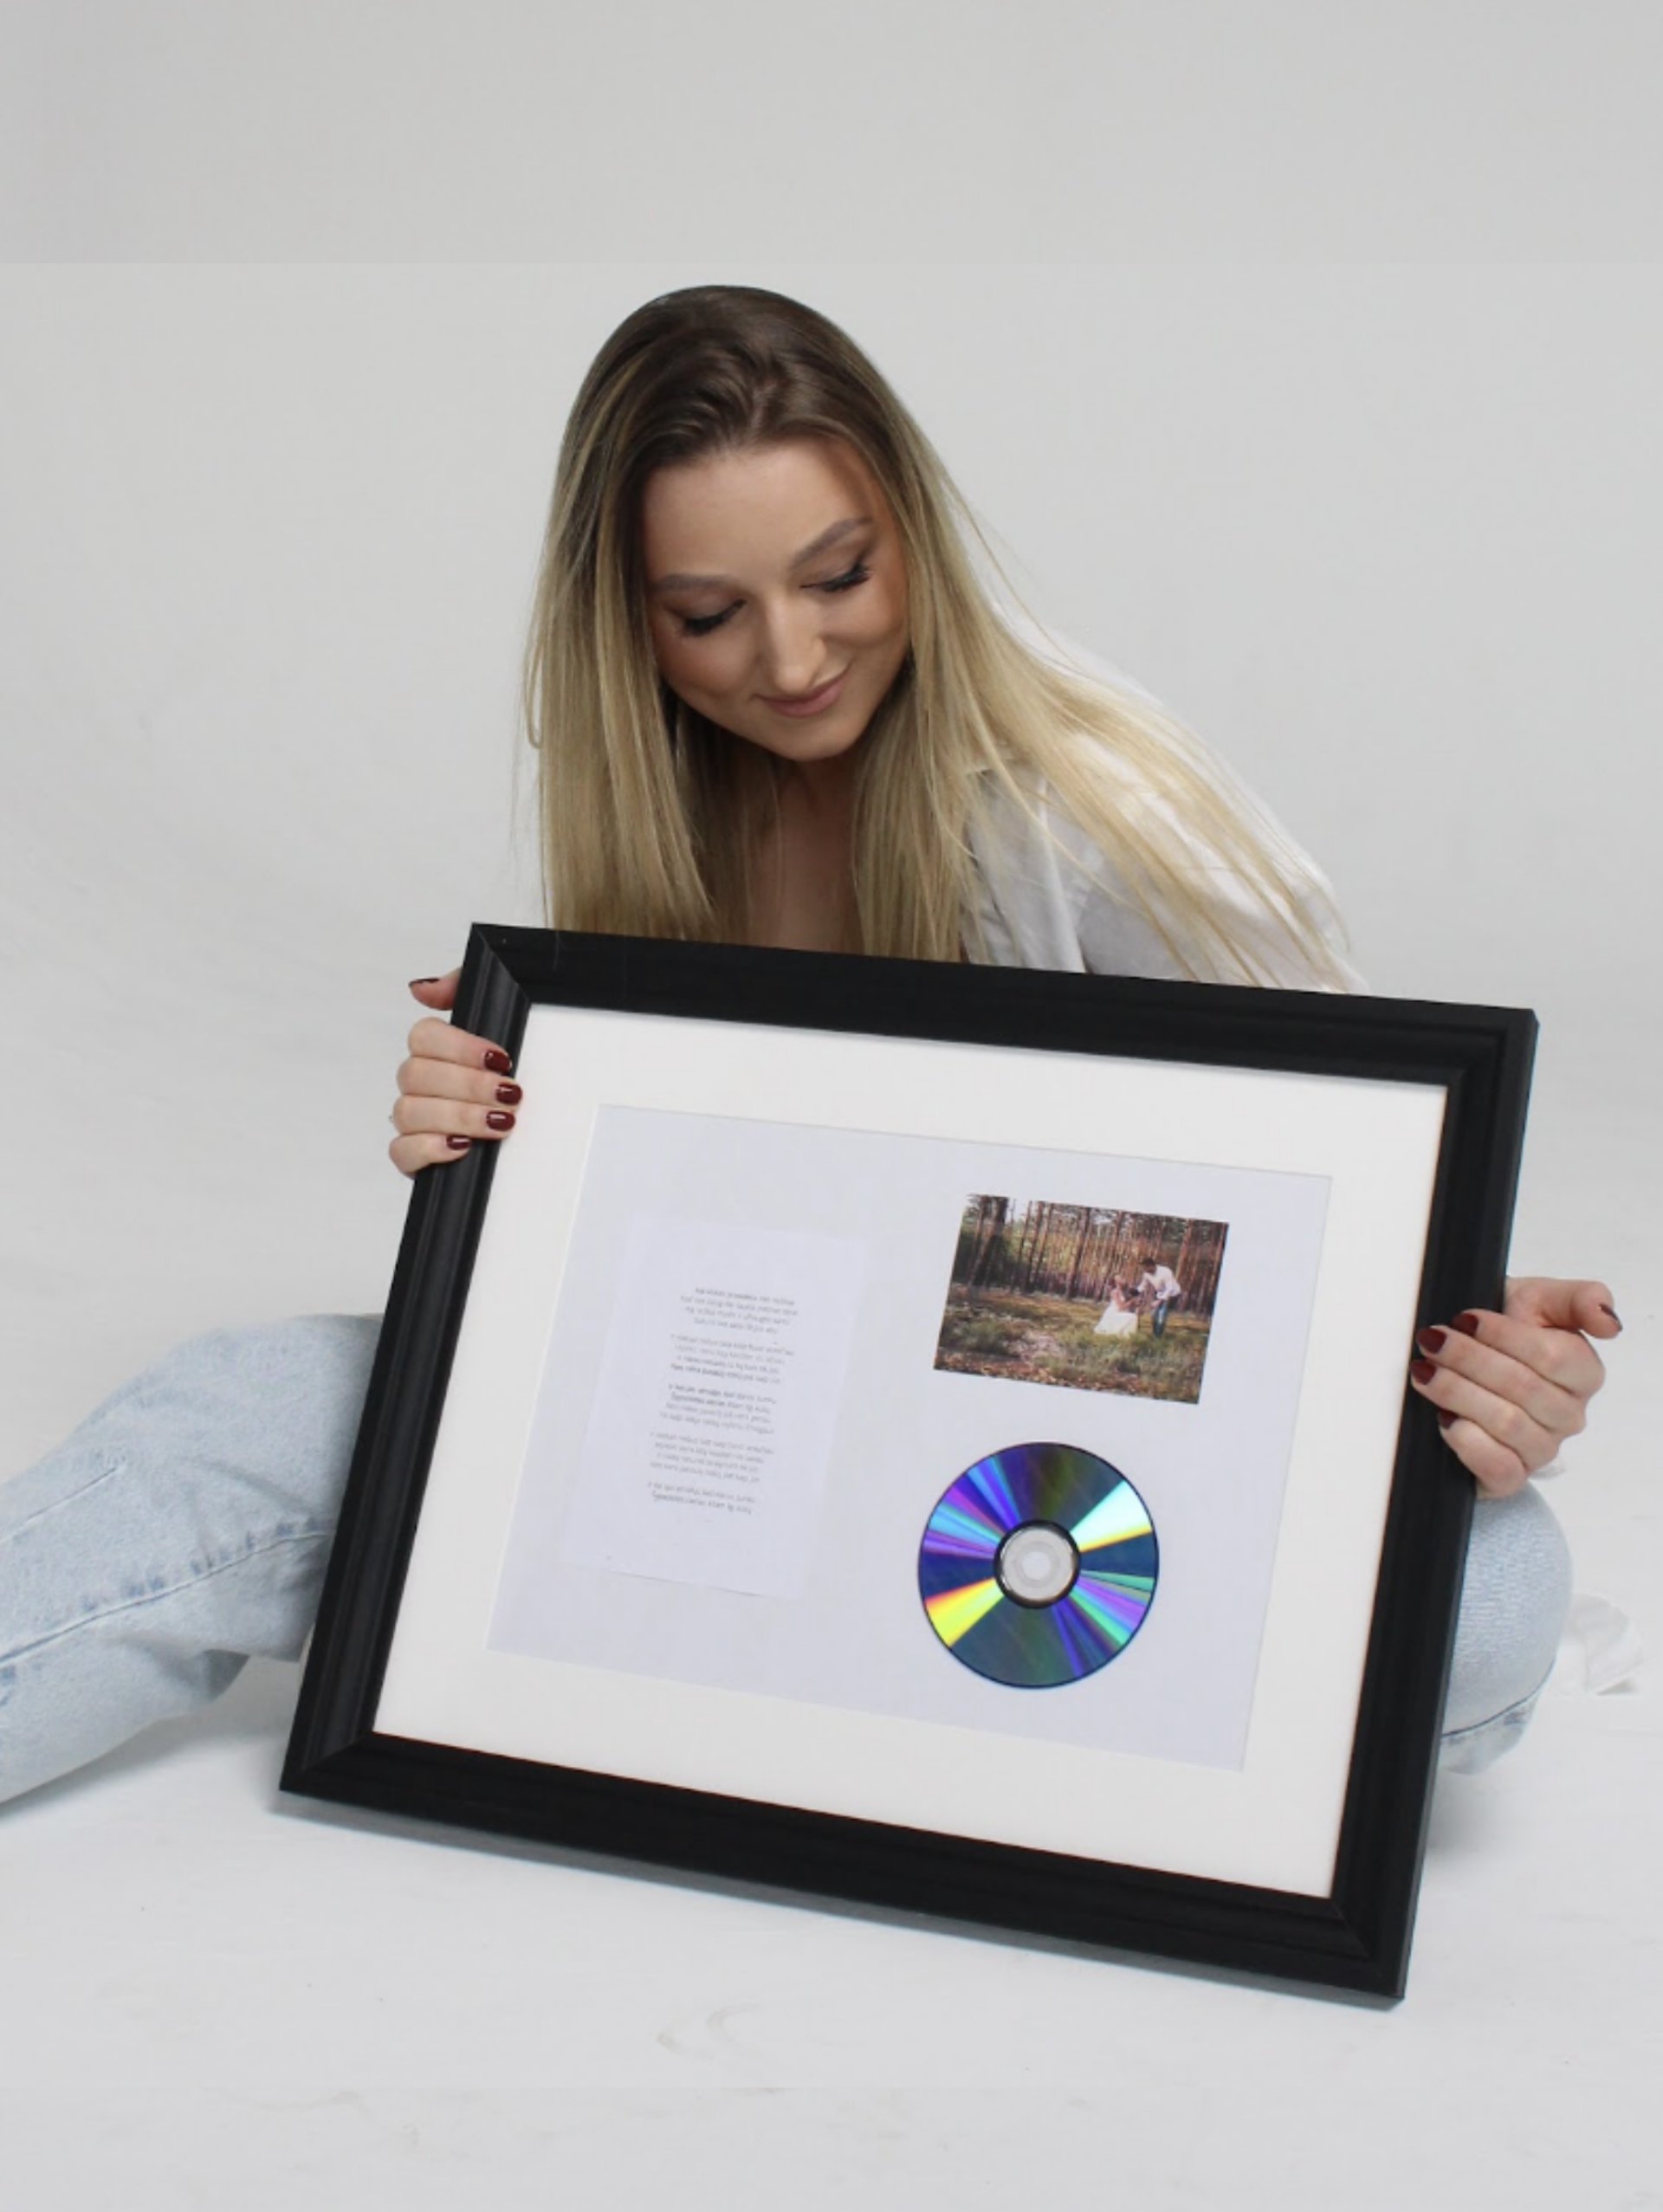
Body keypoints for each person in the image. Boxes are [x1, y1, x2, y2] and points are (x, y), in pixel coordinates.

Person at [0, 284, 1619, 1808]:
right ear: (627, 623)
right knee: (244, 1406)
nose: (788, 663)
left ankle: (763, 1685)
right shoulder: (657, 796)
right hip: (742, 1418)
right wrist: (490, 1139)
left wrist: (1465, 1351)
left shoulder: (1101, 820)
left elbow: (1329, 1208)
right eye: (709, 615)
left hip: (1045, 1450)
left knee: (1488, 1605)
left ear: (913, 535)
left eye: (840, 578)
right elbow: (660, 1251)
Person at [1135, 1260, 1183, 1338]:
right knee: (1153, 1314)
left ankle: (1158, 1336)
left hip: (1172, 1294)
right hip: (1160, 1293)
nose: (1145, 1271)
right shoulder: (1146, 1274)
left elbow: (1169, 1288)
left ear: (1151, 1266)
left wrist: (1159, 1301)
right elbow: (1143, 1285)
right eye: (1144, 1269)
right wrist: (1135, 1291)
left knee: (1161, 1314)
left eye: (1146, 1268)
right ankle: (1155, 1333)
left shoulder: (1165, 1271)